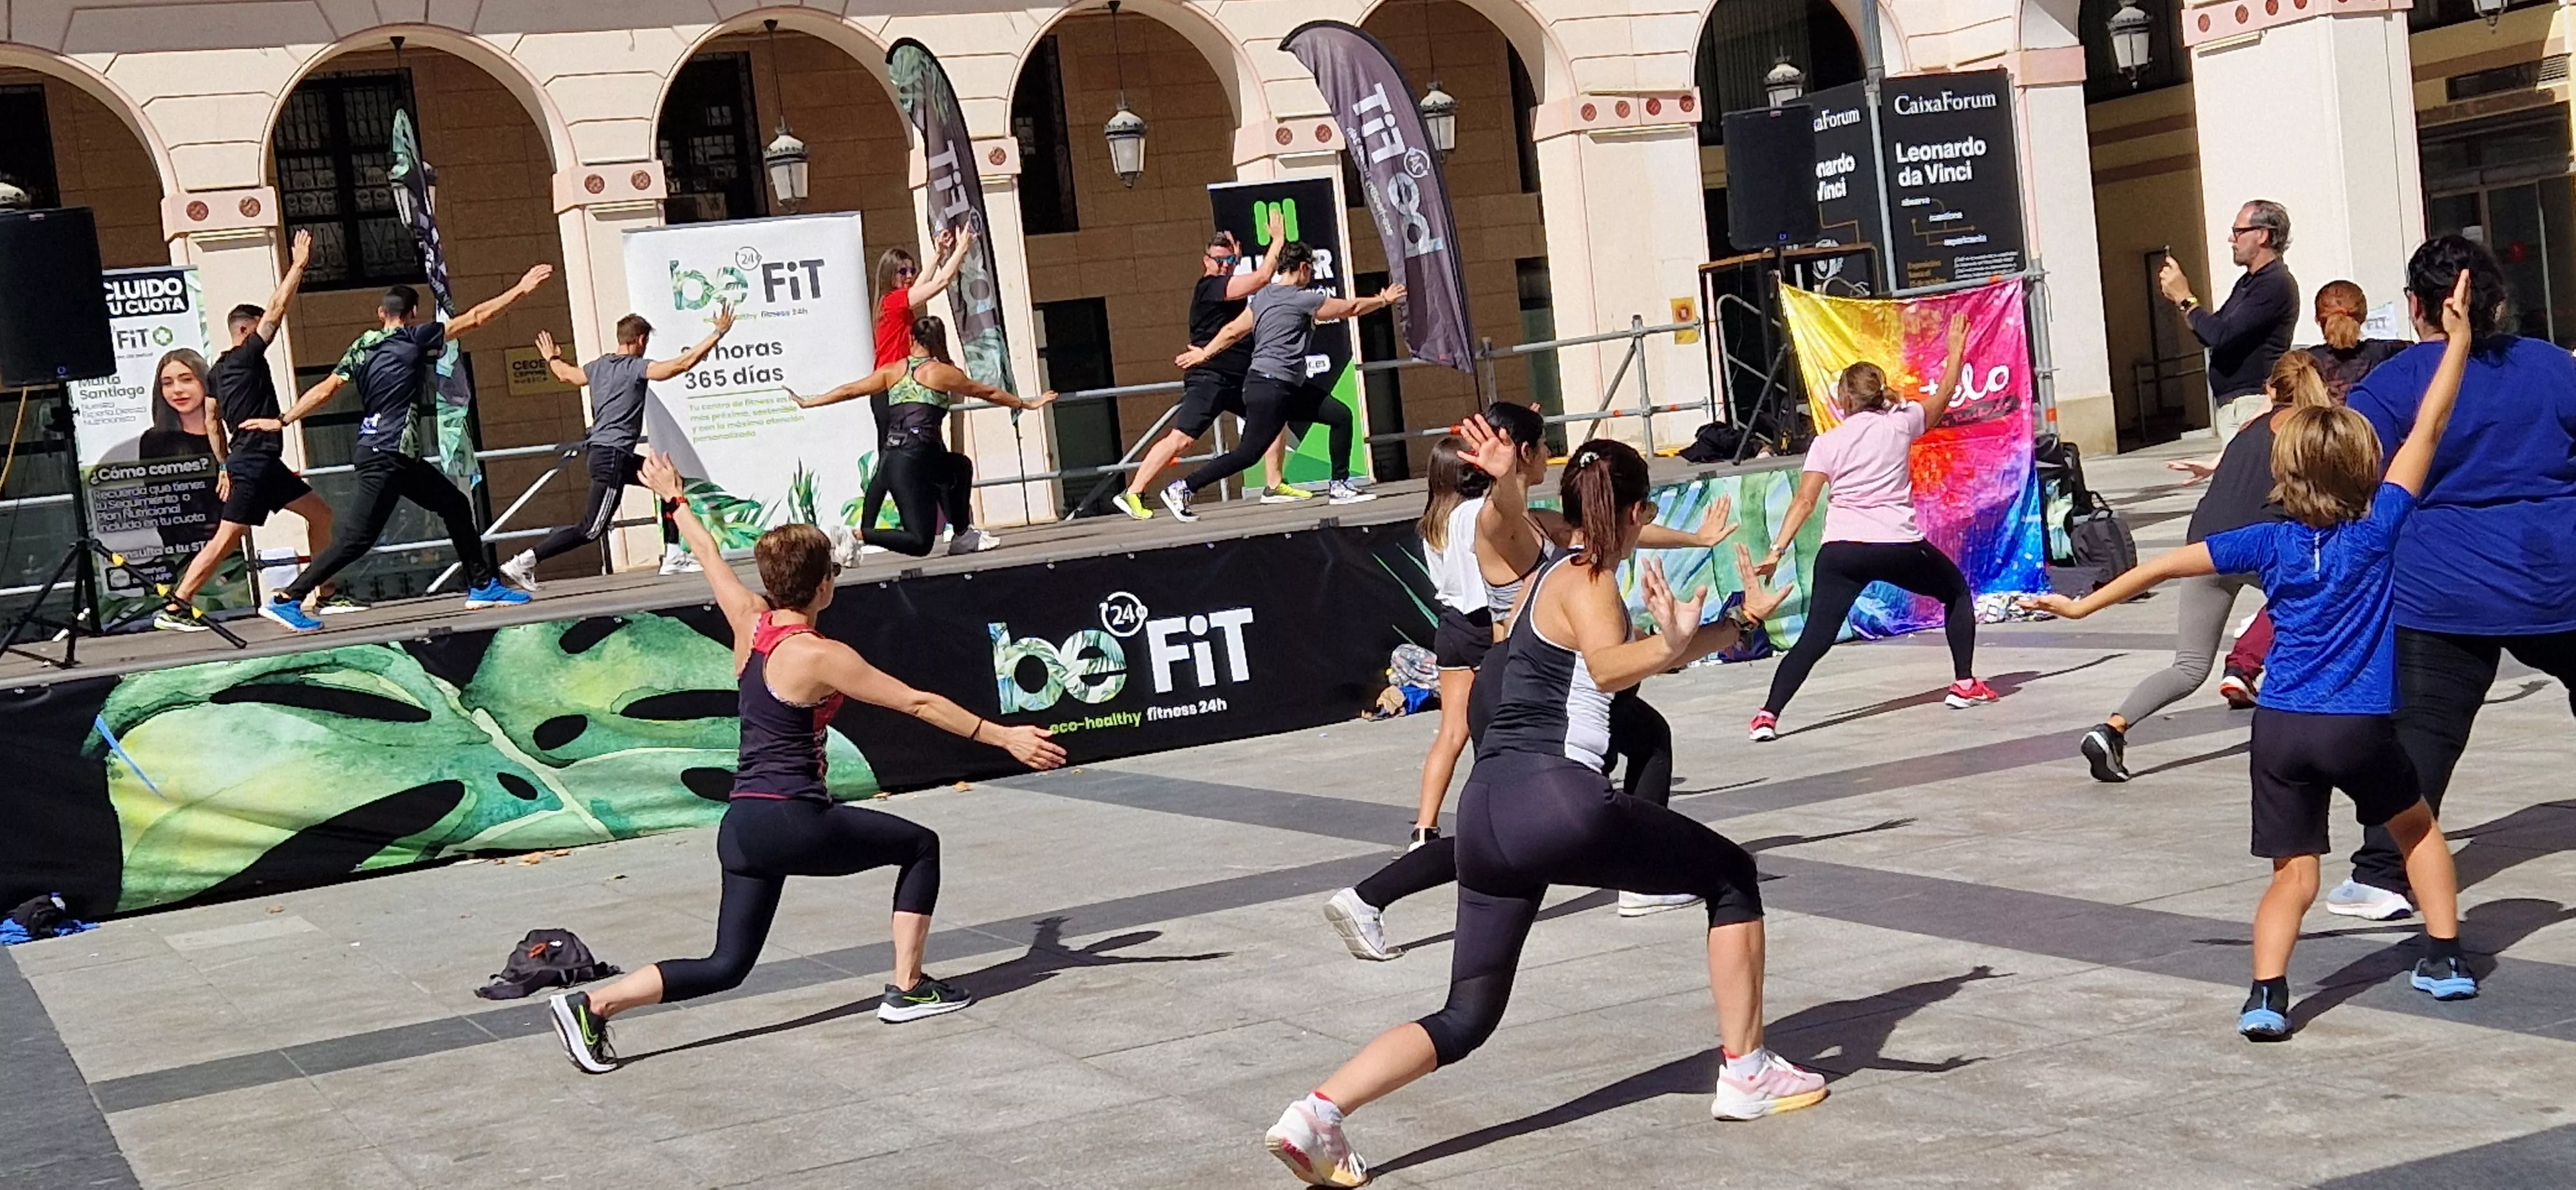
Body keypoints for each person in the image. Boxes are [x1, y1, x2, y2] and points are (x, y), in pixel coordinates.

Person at [1265, 439, 1812, 1187]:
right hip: (1556, 799)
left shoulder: (1546, 579)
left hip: (1487, 812)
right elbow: (1612, 668)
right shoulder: (1591, 581)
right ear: (1640, 512)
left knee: (1466, 1016)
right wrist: (1670, 643)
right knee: (1731, 875)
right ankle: (1746, 1072)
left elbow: (1620, 660)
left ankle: (1316, 1114)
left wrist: (1736, 622)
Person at [2024, 268, 2482, 1040]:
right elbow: (2429, 428)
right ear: (2364, 466)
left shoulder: (2265, 542)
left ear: (2284, 472)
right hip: (2356, 725)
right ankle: (2443, 958)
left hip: (2280, 730)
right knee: (2416, 831)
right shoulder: (2377, 526)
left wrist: (2080, 604)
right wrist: (2457, 341)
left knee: (2292, 876)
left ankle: (2266, 997)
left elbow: (2161, 565)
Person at [546, 453, 1067, 1075]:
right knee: (920, 847)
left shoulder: (749, 621)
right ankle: (908, 989)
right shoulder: (820, 655)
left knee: (726, 965)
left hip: (743, 826)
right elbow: (917, 702)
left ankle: (594, 1004)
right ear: (823, 586)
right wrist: (1004, 737)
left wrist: (674, 497)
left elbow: (707, 554)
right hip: (793, 818)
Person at [1321, 404, 1758, 959]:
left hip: (1538, 676)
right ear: (1520, 454)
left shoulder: (1541, 521)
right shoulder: (1502, 523)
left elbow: (1613, 526)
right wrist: (1505, 480)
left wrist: (1695, 540)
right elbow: (1506, 514)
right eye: (1543, 445)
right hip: (1521, 679)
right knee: (1519, 827)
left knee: (1623, 757)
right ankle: (1371, 895)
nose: (1549, 454)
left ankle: (1640, 875)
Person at [2326, 235, 2576, 923]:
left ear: (2416, 306)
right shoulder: (2551, 366)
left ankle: (2381, 874)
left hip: (2443, 587)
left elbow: (2346, 470)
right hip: (2557, 576)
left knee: (2423, 733)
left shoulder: (2396, 382)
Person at [244, 266, 554, 632]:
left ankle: (482, 585)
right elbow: (475, 318)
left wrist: (284, 419)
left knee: (454, 504)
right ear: (413, 314)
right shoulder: (415, 338)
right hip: (387, 454)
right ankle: (288, 598)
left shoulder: (362, 346)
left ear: (381, 313)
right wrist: (520, 289)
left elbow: (327, 389)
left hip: (394, 456)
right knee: (357, 539)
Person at [2072, 350, 2334, 781]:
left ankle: (2111, 729)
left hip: (2204, 547)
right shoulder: (2310, 429)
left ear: (2270, 390)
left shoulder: (2248, 428)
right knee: (2321, 607)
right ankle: (2310, 724)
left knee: (2190, 666)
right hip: (2259, 546)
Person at [1745, 315, 1991, 741]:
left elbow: (1804, 502)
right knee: (1955, 593)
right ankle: (1964, 684)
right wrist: (1955, 352)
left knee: (1815, 638)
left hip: (1842, 552)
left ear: (1844, 398)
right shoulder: (1901, 423)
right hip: (1896, 545)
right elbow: (1943, 398)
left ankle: (1767, 716)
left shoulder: (1827, 442)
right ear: (1880, 392)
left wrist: (1776, 551)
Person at [2215, 281, 2417, 704]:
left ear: (2316, 318)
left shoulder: (2310, 361)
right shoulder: (2389, 353)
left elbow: (2271, 407)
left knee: (2305, 571)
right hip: (2370, 477)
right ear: (2363, 315)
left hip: (2320, 478)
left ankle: (2245, 661)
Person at [156, 234, 352, 630]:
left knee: (320, 514)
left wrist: (224, 465)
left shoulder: (215, 372)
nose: (265, 335)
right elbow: (277, 309)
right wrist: (298, 265)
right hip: (254, 462)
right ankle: (177, 606)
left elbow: (211, 422)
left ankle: (327, 592)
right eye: (259, 330)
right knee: (227, 537)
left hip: (258, 462)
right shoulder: (246, 356)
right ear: (245, 331)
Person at [496, 305, 735, 593]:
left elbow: (567, 375)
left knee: (670, 481)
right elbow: (680, 365)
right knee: (591, 529)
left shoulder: (598, 366)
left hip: (611, 455)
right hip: (611, 457)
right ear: (641, 340)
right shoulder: (635, 368)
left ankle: (673, 555)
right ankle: (525, 561)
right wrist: (718, 333)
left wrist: (552, 358)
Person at [1161, 243, 1401, 520]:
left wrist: (1205, 353)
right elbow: (1352, 307)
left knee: (1339, 416)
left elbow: (1232, 331)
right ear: (1303, 268)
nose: (1311, 276)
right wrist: (1383, 300)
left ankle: (1339, 485)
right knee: (1248, 454)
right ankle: (1183, 488)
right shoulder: (1303, 299)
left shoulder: (1263, 297)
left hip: (1278, 386)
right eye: (1310, 270)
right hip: (1272, 388)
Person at [790, 316, 1054, 556]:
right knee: (920, 543)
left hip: (898, 457)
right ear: (939, 341)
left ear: (911, 338)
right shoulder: (942, 373)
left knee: (959, 466)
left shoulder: (892, 371)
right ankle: (857, 535)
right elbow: (989, 392)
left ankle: (962, 534)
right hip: (914, 460)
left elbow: (850, 390)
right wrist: (1026, 404)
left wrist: (810, 402)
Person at [1112, 214, 1296, 518]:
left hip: (1238, 379)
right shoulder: (1209, 287)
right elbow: (1262, 278)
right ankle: (1133, 492)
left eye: (1229, 261)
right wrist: (1278, 240)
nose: (1224, 266)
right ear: (1205, 261)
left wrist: (1236, 260)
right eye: (1218, 261)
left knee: (1273, 417)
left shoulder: (1228, 282)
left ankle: (1274, 484)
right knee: (1182, 438)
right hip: (1210, 378)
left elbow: (1243, 283)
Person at [2160, 200, 2299, 441]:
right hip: (2236, 404)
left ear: (2262, 235)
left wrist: (2185, 297)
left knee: (2245, 467)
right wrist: (2180, 299)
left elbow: (2221, 335)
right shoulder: (2248, 283)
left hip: (2252, 402)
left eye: (2238, 232)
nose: (2231, 239)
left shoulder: (2275, 284)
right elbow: (2209, 332)